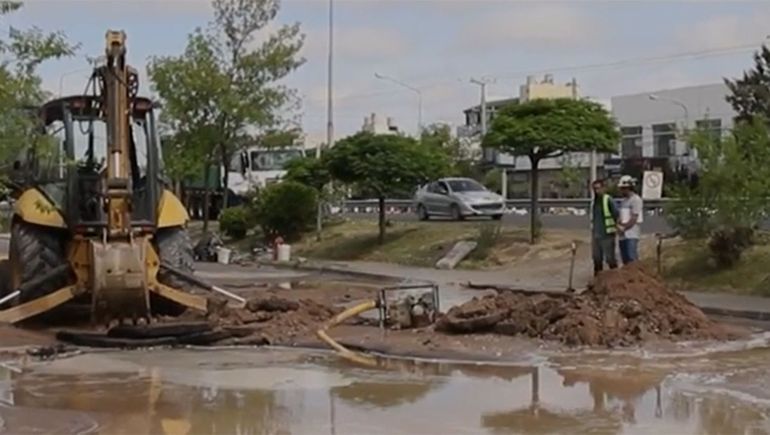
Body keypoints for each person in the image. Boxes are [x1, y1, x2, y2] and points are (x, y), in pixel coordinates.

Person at [590, 179, 619, 275]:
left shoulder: (608, 199)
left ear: (603, 188)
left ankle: (615, 278)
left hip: (607, 234)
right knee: (596, 258)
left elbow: (616, 214)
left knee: (610, 258)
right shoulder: (594, 201)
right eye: (594, 189)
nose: (596, 191)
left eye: (598, 188)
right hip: (596, 234)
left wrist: (617, 227)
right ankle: (598, 278)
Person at [617, 175, 643, 265]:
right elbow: (621, 216)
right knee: (625, 259)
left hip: (632, 233)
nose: (622, 190)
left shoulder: (636, 200)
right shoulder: (624, 201)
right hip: (623, 234)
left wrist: (624, 228)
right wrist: (619, 226)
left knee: (631, 257)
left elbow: (634, 218)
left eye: (624, 188)